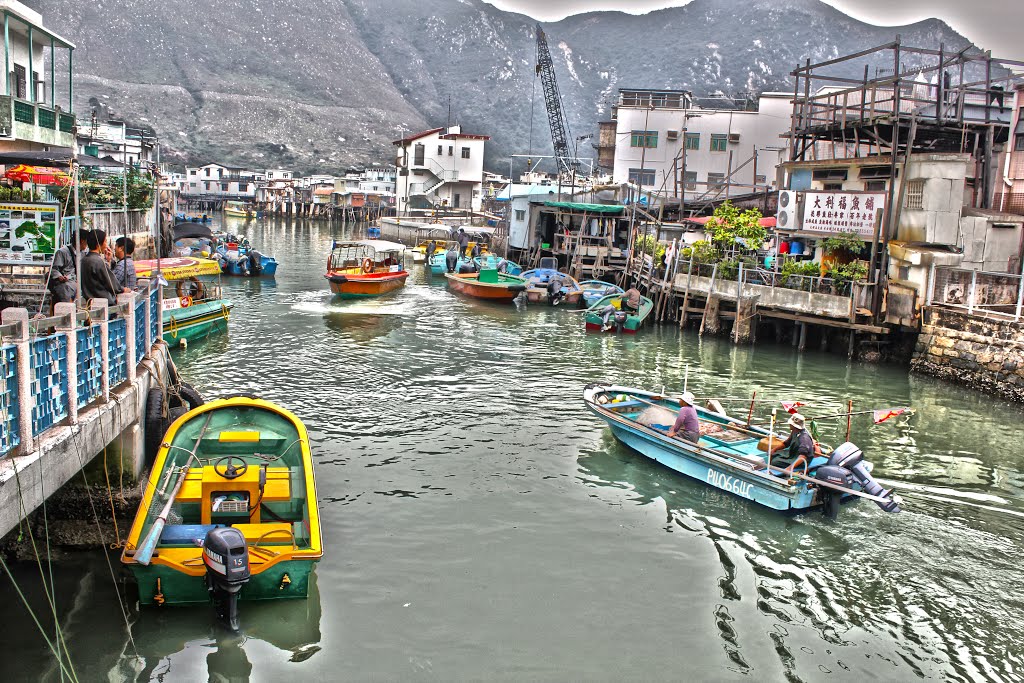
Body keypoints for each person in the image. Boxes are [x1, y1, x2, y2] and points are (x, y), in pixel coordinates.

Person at [80, 230, 120, 306]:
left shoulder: (84, 260)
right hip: (103, 302)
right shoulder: (98, 261)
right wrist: (122, 289)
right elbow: (111, 283)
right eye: (105, 241)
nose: (106, 245)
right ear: (98, 244)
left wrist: (108, 261)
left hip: (89, 301)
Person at [47, 233, 84, 305]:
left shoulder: (83, 253)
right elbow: (54, 269)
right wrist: (59, 276)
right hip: (65, 283)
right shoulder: (62, 252)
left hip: (76, 282)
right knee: (66, 290)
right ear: (82, 241)